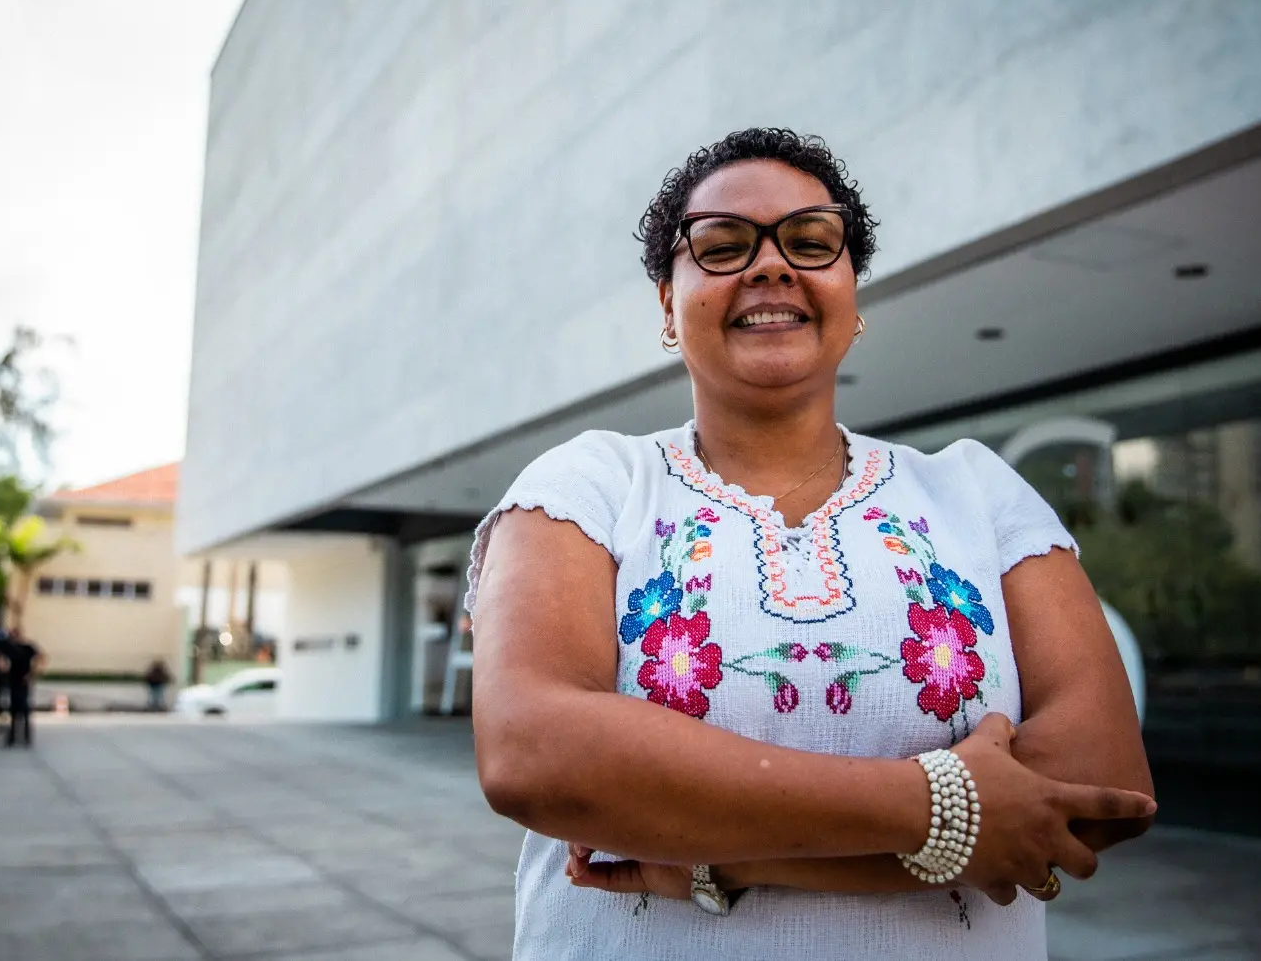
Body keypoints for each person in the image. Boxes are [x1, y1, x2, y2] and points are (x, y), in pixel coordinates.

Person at [467, 129, 1156, 960]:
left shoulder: (977, 492)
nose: (770, 265)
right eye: (721, 246)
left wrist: (720, 859)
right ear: (665, 302)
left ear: (850, 292)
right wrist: (947, 812)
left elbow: (1102, 785)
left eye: (810, 240)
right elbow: (532, 751)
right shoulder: (589, 484)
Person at [2, 628, 43, 747]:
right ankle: (13, 736)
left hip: (23, 680)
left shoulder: (27, 647)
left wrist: (32, 674)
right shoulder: (9, 648)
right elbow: (1, 658)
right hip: (13, 680)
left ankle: (25, 736)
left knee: (24, 708)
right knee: (14, 709)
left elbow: (40, 657)